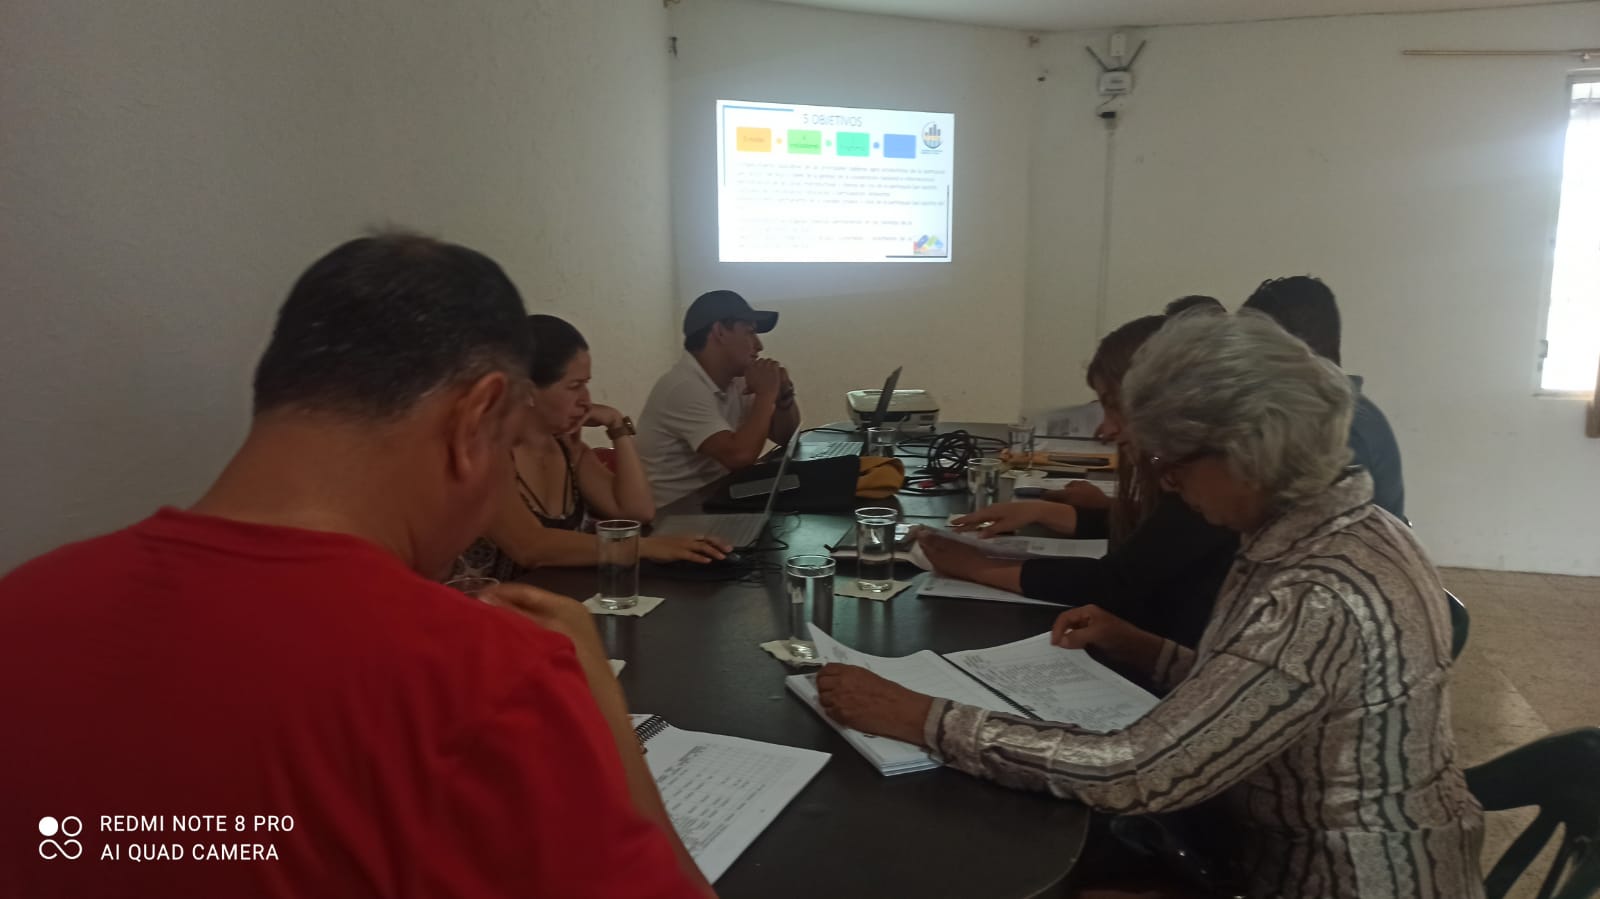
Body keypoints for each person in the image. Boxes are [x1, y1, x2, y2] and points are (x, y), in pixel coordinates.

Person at [0, 234, 711, 898]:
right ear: (475, 420)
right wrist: (601, 718)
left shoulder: (24, 603)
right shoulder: (486, 675)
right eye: (505, 445)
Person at [817, 312, 1483, 899]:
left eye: (1172, 464)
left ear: (1248, 451)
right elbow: (1266, 692)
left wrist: (923, 717)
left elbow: (1138, 772)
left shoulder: (1317, 591)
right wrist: (1146, 649)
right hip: (1279, 848)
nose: (1167, 483)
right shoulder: (1339, 527)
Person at [921, 315, 1237, 649]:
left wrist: (976, 567)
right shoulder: (1190, 477)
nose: (1106, 430)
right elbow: (1154, 538)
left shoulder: (1208, 485)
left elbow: (1114, 584)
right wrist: (1041, 511)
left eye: (1114, 407)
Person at [456, 314, 731, 580]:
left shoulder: (567, 447)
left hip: (551, 599)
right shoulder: (484, 453)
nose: (586, 400)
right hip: (480, 607)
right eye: (574, 386)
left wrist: (617, 426)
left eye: (586, 385)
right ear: (527, 391)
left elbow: (637, 511)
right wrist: (646, 547)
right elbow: (530, 546)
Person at [1242, 275, 1406, 520]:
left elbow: (1307, 530)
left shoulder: (1341, 432)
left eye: (1254, 350)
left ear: (1293, 347)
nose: (1245, 366)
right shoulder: (1333, 416)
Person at [637, 290, 801, 507]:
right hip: (674, 515)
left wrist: (783, 396)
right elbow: (739, 456)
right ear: (720, 332)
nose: (759, 345)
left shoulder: (737, 380)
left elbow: (785, 437)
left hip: (716, 501)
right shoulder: (683, 387)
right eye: (750, 332)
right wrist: (766, 395)